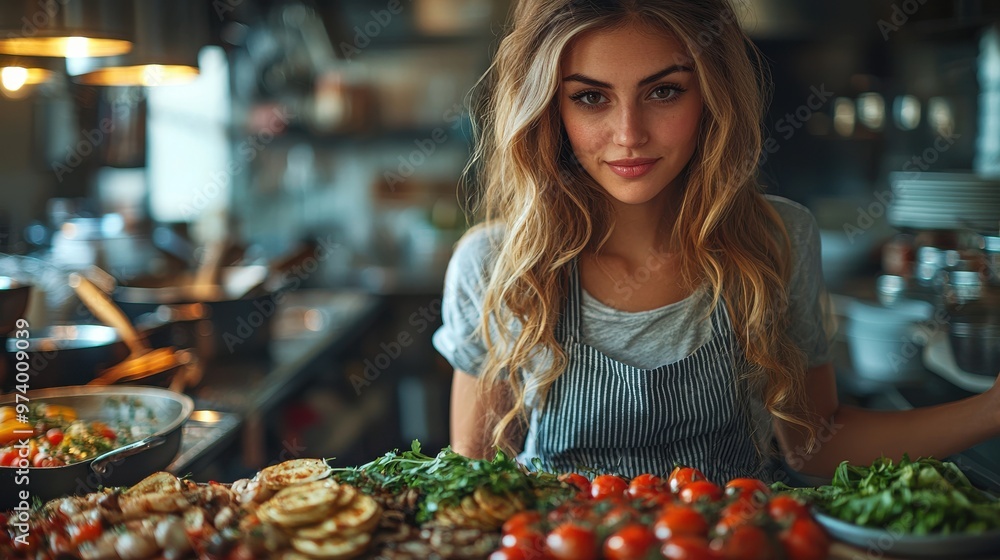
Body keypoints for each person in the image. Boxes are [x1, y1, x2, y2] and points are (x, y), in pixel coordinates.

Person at [433, 0, 1000, 483]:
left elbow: (817, 443)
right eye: (590, 98)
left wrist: (990, 409)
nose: (629, 134)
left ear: (712, 95)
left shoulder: (777, 239)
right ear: (549, 110)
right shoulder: (495, 266)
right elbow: (478, 486)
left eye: (663, 91)